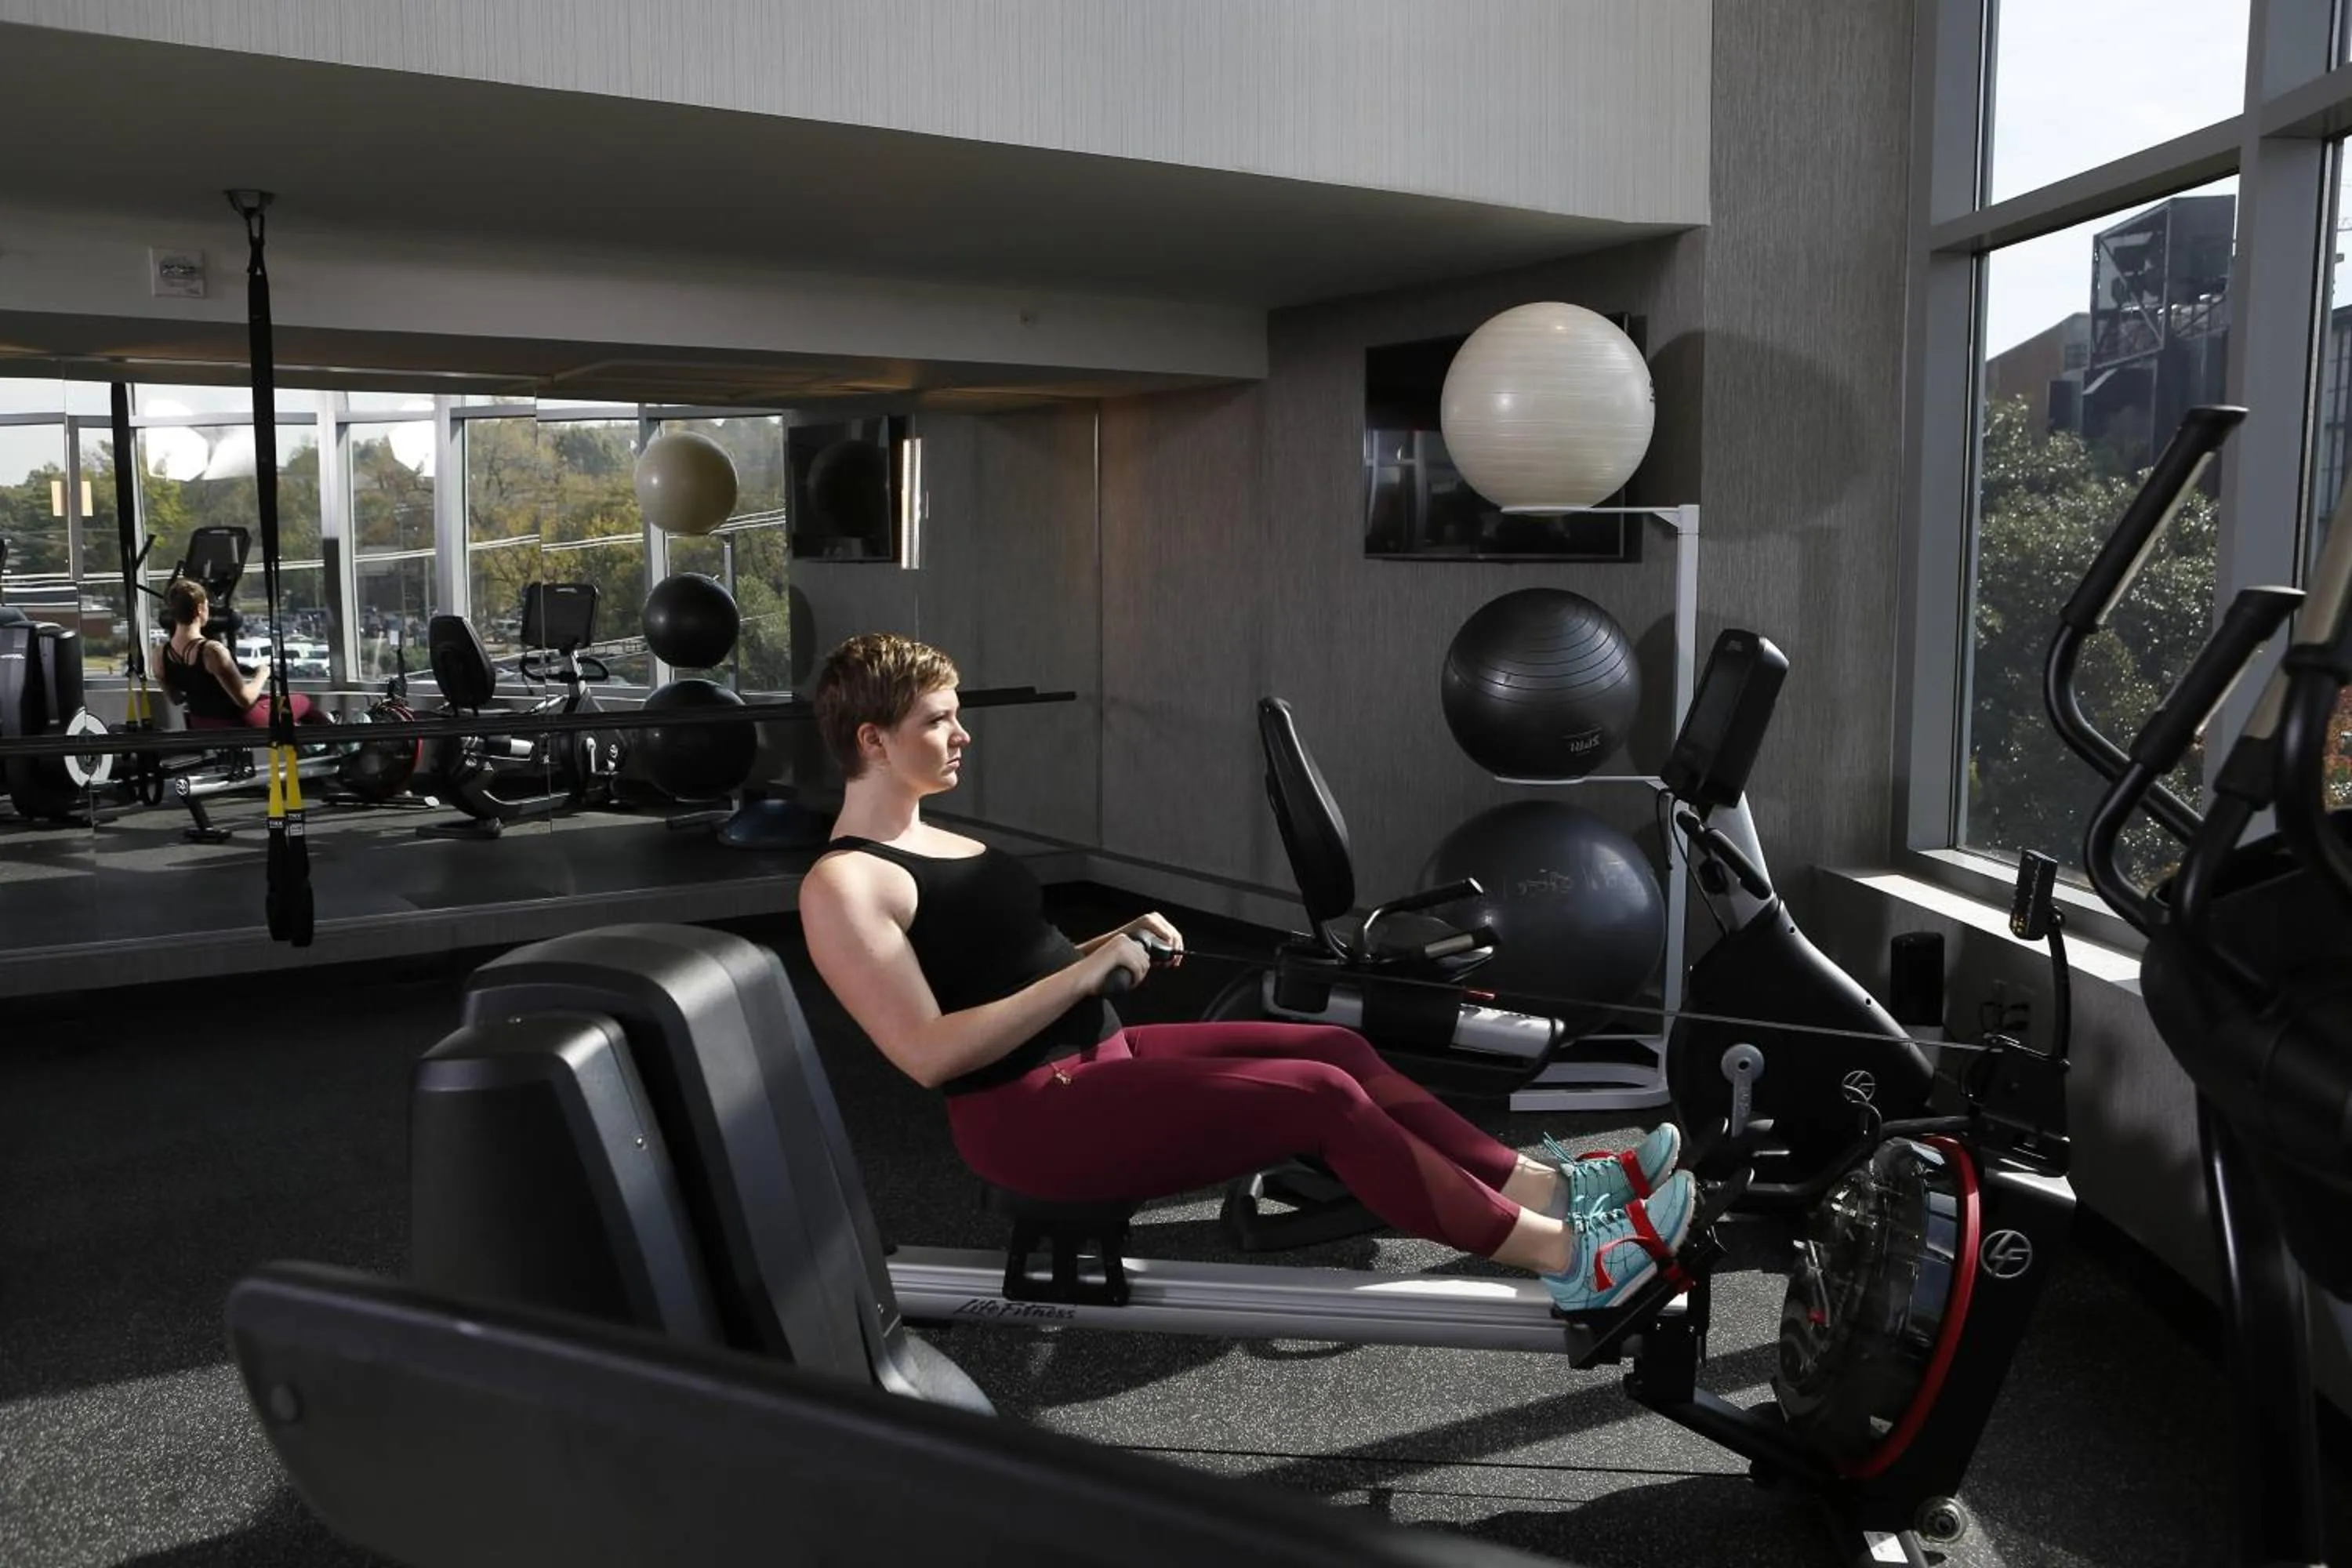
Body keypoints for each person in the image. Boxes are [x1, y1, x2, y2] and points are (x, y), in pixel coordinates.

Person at [798, 633, 1697, 1313]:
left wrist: (1109, 941)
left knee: (1336, 1045)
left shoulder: (935, 831)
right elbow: (925, 1052)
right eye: (938, 720)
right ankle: (1563, 1258)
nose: (962, 734)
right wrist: (1083, 978)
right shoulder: (845, 883)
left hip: (1099, 1055)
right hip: (1029, 1113)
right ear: (873, 741)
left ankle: (1546, 1186)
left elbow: (994, 969)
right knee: (1318, 1097)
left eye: (958, 713)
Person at [151, 579, 331, 730]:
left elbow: (176, 699)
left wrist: (199, 686)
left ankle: (314, 747)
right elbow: (245, 700)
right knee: (301, 702)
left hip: (201, 723)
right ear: (200, 609)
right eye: (207, 606)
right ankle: (337, 742)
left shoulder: (160, 654)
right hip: (239, 722)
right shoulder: (212, 651)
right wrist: (262, 674)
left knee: (272, 702)